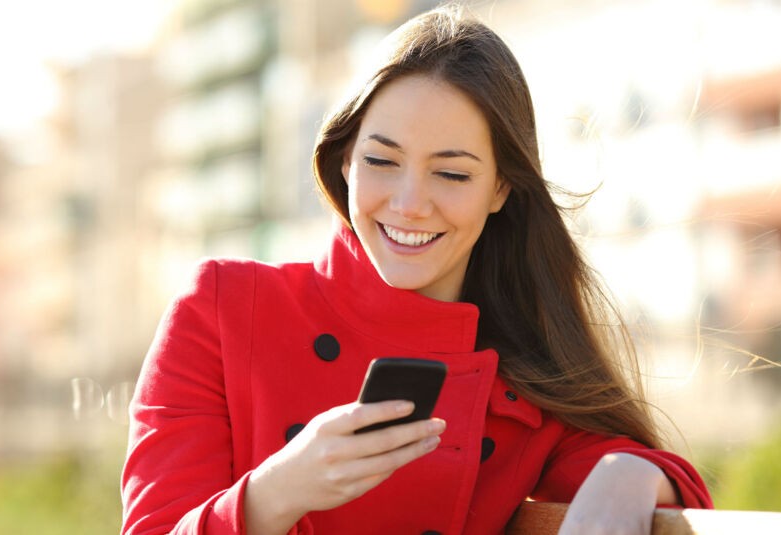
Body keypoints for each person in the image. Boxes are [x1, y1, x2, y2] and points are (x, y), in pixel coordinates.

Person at [120, 4, 712, 534]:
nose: (408, 203)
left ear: (501, 187)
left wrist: (627, 473)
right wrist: (276, 492)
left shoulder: (527, 388)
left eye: (451, 174)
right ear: (345, 158)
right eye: (382, 160)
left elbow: (654, 476)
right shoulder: (222, 311)